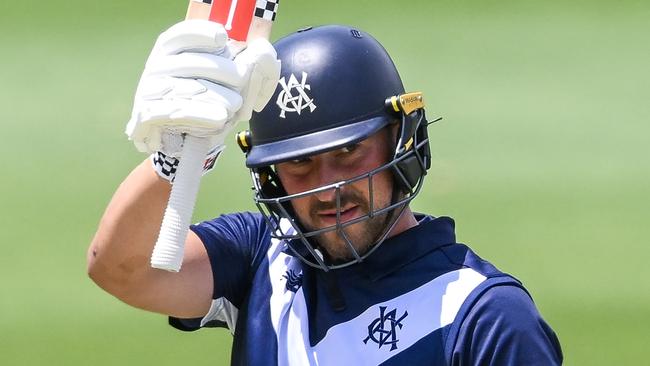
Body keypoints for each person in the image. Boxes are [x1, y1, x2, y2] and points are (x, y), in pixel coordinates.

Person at [88, 20, 563, 365]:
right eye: (300, 162)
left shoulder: (483, 315)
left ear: (401, 141)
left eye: (349, 151)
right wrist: (181, 154)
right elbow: (120, 269)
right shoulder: (262, 259)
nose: (327, 186)